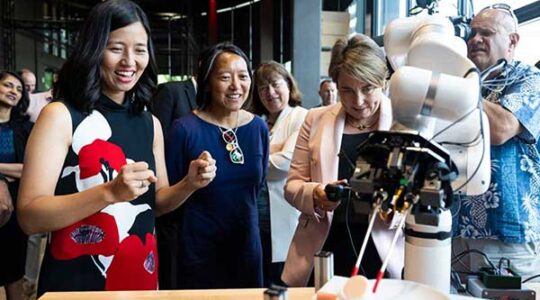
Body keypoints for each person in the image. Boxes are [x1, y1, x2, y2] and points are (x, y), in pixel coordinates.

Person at [16, 0, 216, 296]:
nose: (129, 61)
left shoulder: (150, 123)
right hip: (77, 285)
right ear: (93, 50)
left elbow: (155, 203)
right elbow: (30, 216)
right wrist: (109, 192)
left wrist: (189, 184)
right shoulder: (60, 116)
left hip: (141, 279)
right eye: (116, 48)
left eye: (139, 49)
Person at [280, 34, 397, 287]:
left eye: (367, 88)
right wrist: (316, 194)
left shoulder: (404, 123)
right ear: (334, 84)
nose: (358, 101)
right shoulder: (315, 119)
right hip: (324, 250)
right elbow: (291, 186)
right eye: (347, 90)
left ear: (383, 82)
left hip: (385, 253)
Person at [165, 42, 269, 289]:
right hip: (199, 253)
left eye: (243, 77)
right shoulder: (184, 129)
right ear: (208, 82)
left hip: (247, 249)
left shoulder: (258, 128)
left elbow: (258, 186)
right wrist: (190, 184)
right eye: (225, 77)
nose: (236, 86)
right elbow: (165, 201)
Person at [453, 4, 540, 280]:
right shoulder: (458, 80)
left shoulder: (529, 79)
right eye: (472, 32)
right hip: (454, 226)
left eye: (486, 33)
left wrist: (458, 88)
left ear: (512, 41)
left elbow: (502, 128)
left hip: (509, 233)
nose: (475, 39)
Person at [250, 61, 308, 286]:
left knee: (281, 282)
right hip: (256, 218)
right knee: (260, 280)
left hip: (284, 214)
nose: (270, 92)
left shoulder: (301, 117)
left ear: (288, 85)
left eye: (275, 84)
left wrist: (254, 157)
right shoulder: (258, 122)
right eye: (263, 88)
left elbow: (284, 163)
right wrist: (275, 147)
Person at [0, 71, 32, 300]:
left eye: (19, 89)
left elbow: (28, 169)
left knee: (14, 272)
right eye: (8, 86)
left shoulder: (25, 128)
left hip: (14, 206)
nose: (14, 92)